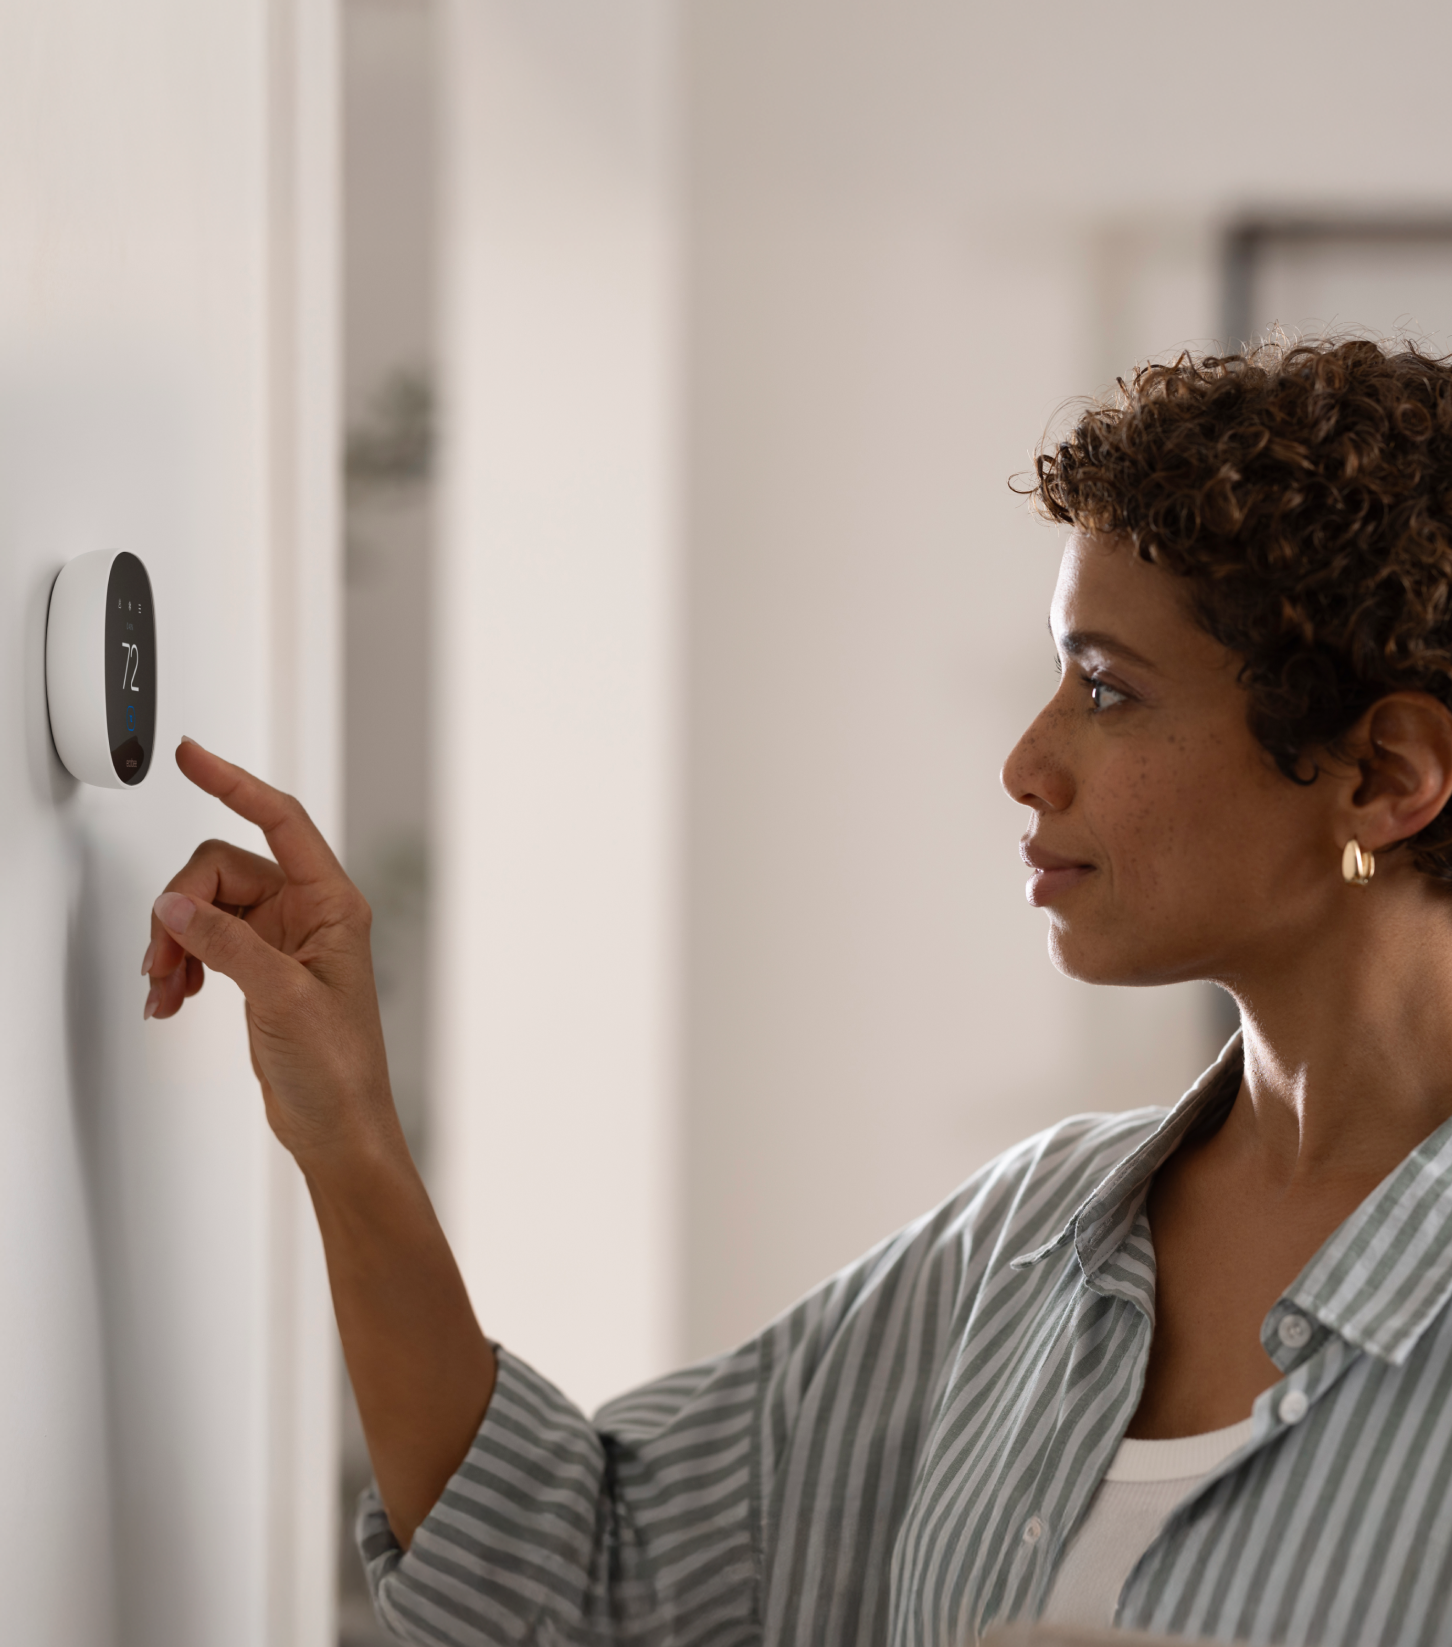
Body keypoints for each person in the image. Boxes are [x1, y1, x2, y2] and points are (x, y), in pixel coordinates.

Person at [143, 337, 1452, 1647]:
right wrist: (350, 1130)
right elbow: (581, 1579)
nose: (1025, 760)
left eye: (1107, 687)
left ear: (1385, 775)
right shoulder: (1031, 1241)